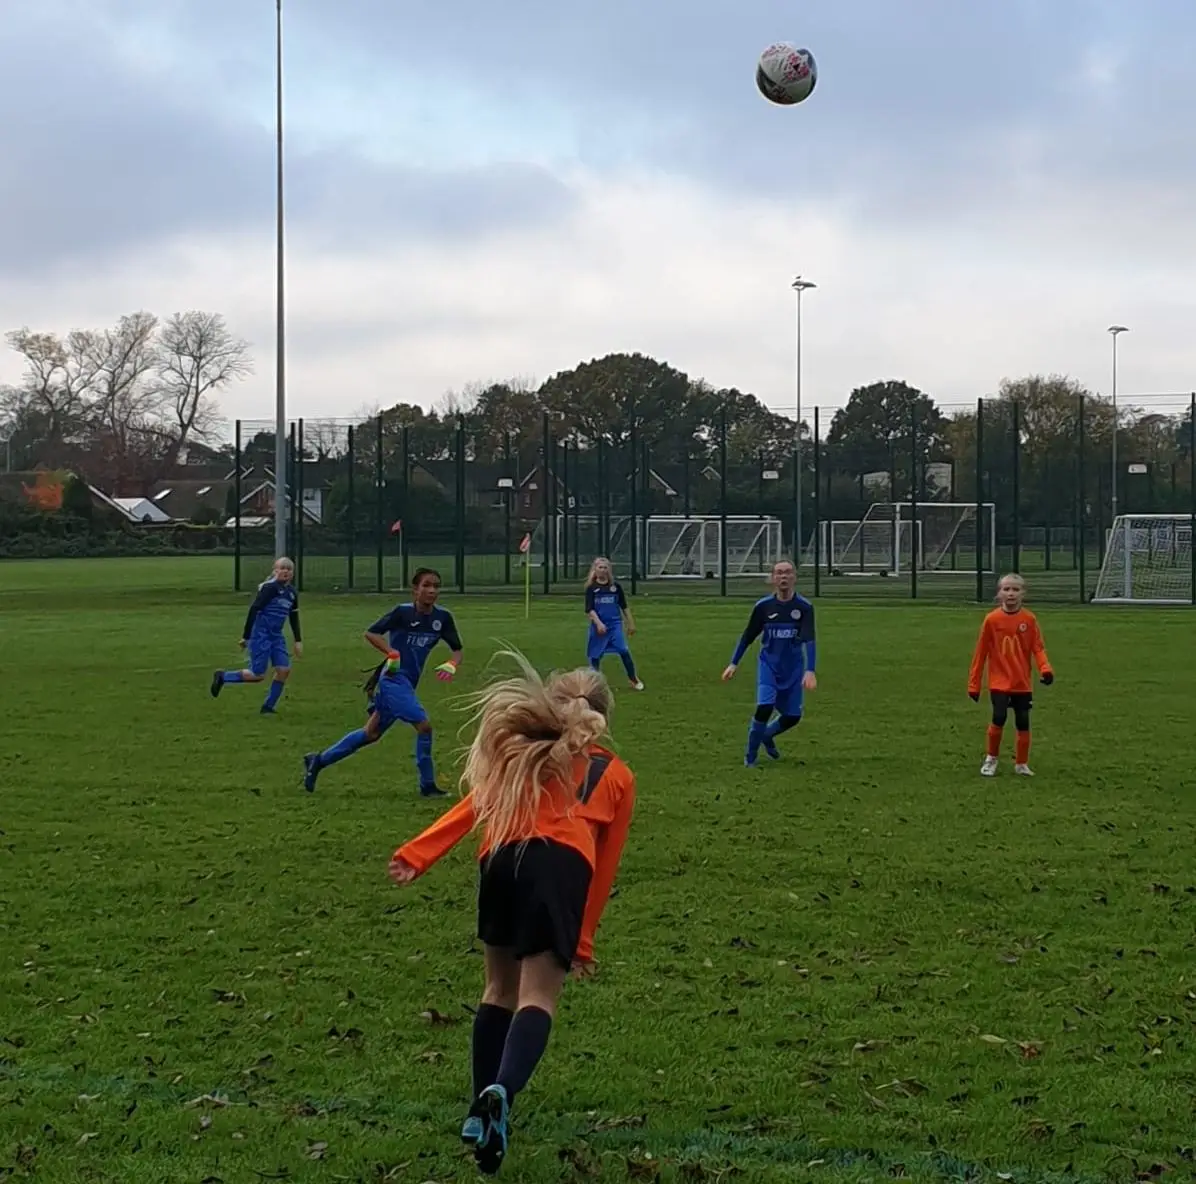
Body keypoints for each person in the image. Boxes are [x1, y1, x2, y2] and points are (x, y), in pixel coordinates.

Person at [388, 654, 636, 1175]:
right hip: (561, 869)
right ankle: (502, 1091)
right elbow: (605, 866)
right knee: (538, 996)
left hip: (500, 861)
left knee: (496, 990)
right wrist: (584, 940)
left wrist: (418, 853)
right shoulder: (617, 775)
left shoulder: (522, 752)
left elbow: (474, 805)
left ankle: (479, 1109)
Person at [303, 567, 461, 796]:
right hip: (393, 679)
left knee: (371, 734)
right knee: (424, 726)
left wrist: (452, 664)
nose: (432, 590)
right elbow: (371, 633)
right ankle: (428, 785)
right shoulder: (402, 613)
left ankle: (318, 761)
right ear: (415, 590)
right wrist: (391, 652)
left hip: (408, 682)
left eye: (436, 586)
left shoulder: (442, 618)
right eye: (426, 585)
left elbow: (457, 649)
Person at [721, 559, 816, 767]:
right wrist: (733, 663)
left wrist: (810, 670)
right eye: (779, 573)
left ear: (794, 578)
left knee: (792, 716)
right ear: (773, 578)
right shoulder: (763, 607)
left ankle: (766, 735)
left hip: (793, 669)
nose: (784, 577)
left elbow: (810, 639)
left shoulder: (804, 607)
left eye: (788, 573)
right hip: (769, 666)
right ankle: (750, 757)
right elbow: (748, 636)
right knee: (764, 707)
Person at [968, 572, 1054, 777]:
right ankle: (991, 759)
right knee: (999, 717)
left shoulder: (1029, 619)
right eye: (1006, 589)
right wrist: (974, 684)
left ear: (1023, 593)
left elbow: (1038, 648)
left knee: (1023, 721)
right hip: (999, 682)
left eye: (1015, 589)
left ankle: (1021, 763)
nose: (1011, 593)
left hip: (1021, 682)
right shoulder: (991, 620)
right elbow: (980, 654)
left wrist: (1046, 669)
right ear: (999, 593)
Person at [210, 557, 301, 714]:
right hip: (261, 634)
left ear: (293, 573)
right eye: (282, 568)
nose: (285, 571)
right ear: (275, 571)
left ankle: (268, 707)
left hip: (276, 636)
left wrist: (298, 640)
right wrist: (246, 636)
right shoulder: (269, 589)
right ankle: (223, 676)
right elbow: (254, 610)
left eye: (289, 569)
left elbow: (293, 616)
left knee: (284, 670)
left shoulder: (291, 593)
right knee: (257, 675)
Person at [583, 557, 643, 690]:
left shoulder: (615, 588)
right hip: (599, 626)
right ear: (595, 569)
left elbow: (624, 606)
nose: (603, 570)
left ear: (609, 570)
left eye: (605, 568)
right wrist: (598, 623)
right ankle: (594, 683)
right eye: (600, 567)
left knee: (623, 649)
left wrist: (630, 623)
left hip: (614, 624)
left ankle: (633, 678)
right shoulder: (592, 589)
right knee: (595, 654)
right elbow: (589, 609)